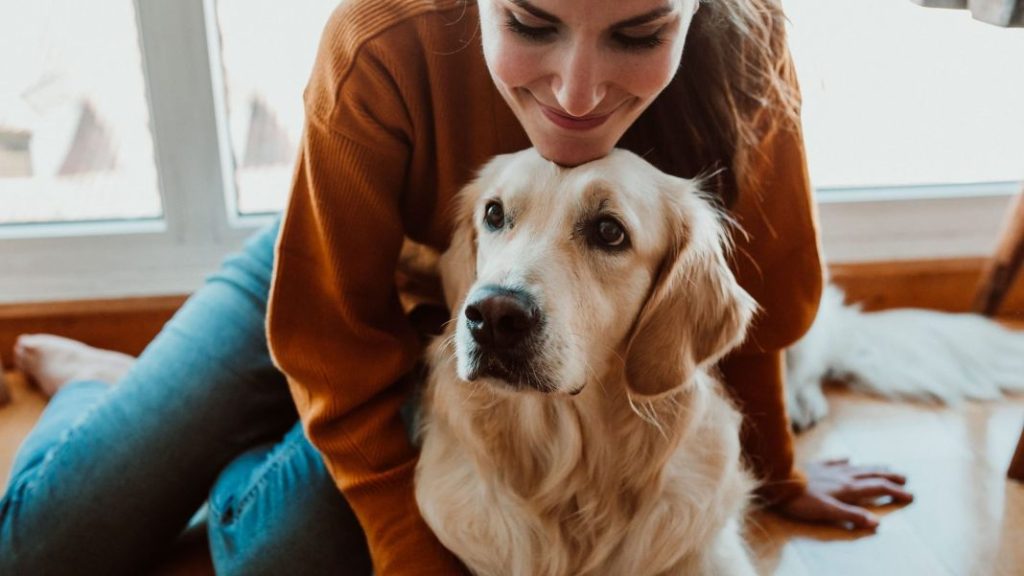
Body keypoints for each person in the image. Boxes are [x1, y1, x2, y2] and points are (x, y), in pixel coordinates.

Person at [0, 0, 914, 574]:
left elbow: (750, 299)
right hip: (326, 284)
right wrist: (405, 551)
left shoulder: (747, 48)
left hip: (472, 328)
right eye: (529, 23)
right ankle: (103, 384)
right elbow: (327, 330)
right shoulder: (380, 36)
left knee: (282, 560)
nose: (579, 93)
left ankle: (223, 425)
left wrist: (777, 469)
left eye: (639, 34)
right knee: (44, 550)